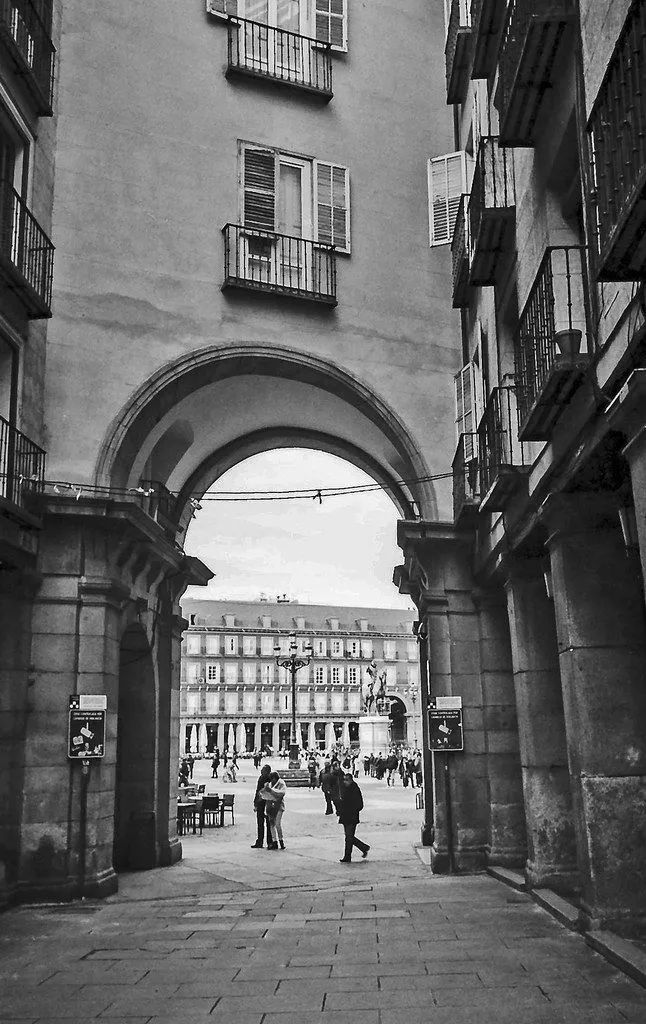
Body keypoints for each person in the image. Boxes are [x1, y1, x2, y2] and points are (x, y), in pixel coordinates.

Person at [337, 773, 370, 863]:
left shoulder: (355, 789)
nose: (345, 782)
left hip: (352, 816)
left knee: (349, 837)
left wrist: (353, 810)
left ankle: (347, 857)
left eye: (346, 780)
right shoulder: (344, 789)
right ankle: (364, 847)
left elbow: (360, 804)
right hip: (344, 816)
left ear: (351, 780)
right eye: (344, 780)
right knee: (349, 837)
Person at [260, 771, 287, 850]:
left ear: (275, 778)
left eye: (272, 779)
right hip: (270, 805)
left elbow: (281, 793)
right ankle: (274, 841)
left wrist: (270, 791)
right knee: (272, 824)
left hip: (278, 806)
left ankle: (281, 841)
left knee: (278, 824)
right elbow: (263, 793)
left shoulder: (281, 783)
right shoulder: (269, 784)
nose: (272, 781)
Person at [251, 764, 272, 848]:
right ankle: (269, 842)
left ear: (267, 771)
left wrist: (256, 802)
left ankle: (260, 841)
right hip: (267, 803)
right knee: (267, 823)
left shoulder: (264, 779)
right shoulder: (269, 779)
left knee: (261, 823)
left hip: (263, 803)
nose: (261, 770)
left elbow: (258, 791)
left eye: (263, 769)